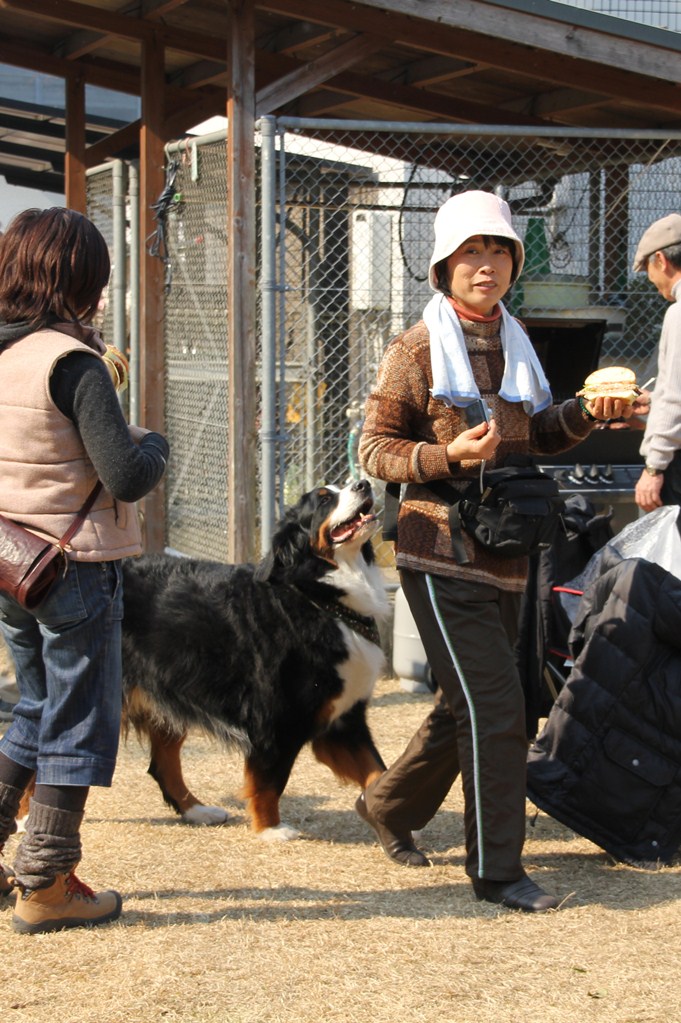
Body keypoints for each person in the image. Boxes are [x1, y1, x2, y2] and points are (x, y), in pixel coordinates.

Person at [356, 190, 636, 912]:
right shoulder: (414, 349)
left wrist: (584, 413)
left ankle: (386, 804)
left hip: (509, 549)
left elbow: (535, 436)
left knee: (469, 703)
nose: (485, 265)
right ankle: (497, 870)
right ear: (443, 267)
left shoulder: (514, 338)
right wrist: (443, 455)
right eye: (469, 253)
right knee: (497, 705)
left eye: (497, 251)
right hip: (437, 545)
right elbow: (373, 450)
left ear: (513, 261)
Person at [0, 207, 169, 934]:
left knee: (33, 708)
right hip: (72, 568)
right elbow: (126, 474)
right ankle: (46, 881)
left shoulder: (5, 352)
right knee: (79, 720)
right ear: (79, 281)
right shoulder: (73, 364)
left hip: (10, 562)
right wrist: (154, 441)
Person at [632, 213, 681, 513]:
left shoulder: (678, 314)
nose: (650, 279)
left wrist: (653, 467)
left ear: (661, 260)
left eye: (648, 267)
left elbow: (677, 397)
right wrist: (654, 400)